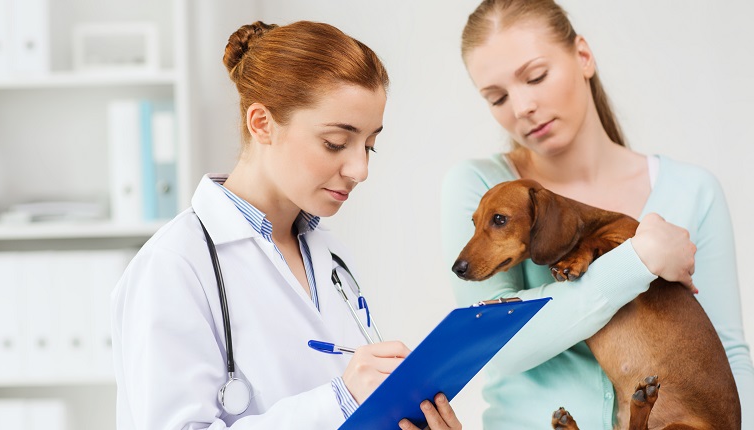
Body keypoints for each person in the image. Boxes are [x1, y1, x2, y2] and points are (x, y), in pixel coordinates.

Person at [112, 20, 462, 430]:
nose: (360, 169)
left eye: (369, 145)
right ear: (261, 123)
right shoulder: (174, 265)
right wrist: (339, 401)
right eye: (335, 142)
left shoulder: (329, 256)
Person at [440, 0, 754, 428]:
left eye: (536, 76)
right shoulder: (482, 187)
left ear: (583, 56)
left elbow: (731, 356)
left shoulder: (693, 190)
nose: (521, 107)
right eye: (497, 97)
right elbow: (496, 342)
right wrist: (637, 261)